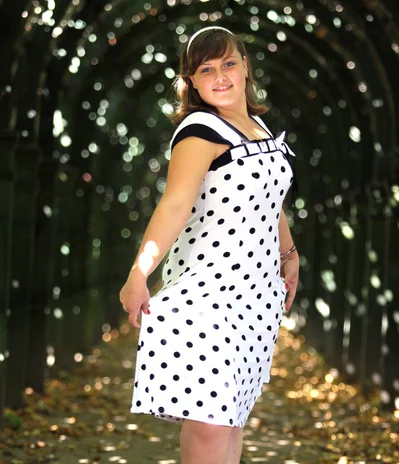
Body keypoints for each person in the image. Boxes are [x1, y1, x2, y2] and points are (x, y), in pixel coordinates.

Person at [119, 26, 300, 464]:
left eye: (229, 64)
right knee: (210, 426)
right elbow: (175, 205)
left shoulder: (257, 127)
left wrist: (289, 256)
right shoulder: (201, 129)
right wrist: (138, 273)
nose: (220, 76)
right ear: (193, 81)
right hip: (209, 295)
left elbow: (270, 200)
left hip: (254, 296)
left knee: (231, 422)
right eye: (206, 69)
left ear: (245, 68)